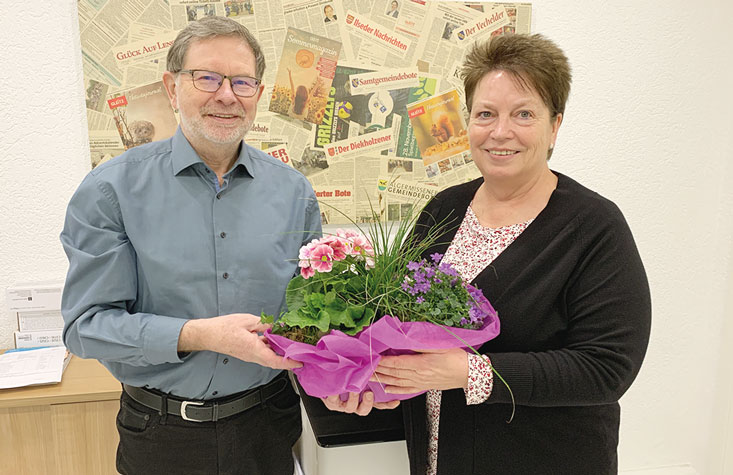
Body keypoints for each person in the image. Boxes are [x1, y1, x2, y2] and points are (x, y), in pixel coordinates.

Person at [323, 33, 651, 474]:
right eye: (485, 114)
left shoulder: (594, 226)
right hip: (440, 458)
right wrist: (366, 382)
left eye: (523, 114)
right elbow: (396, 326)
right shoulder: (444, 208)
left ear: (554, 126)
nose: (501, 132)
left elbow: (607, 367)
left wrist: (470, 372)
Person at [60, 17, 321, 475]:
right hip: (161, 435)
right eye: (207, 77)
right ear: (171, 86)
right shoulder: (110, 191)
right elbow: (87, 327)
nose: (226, 95)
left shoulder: (294, 192)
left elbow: (314, 314)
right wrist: (197, 335)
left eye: (241, 81)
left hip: (268, 425)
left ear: (258, 95)